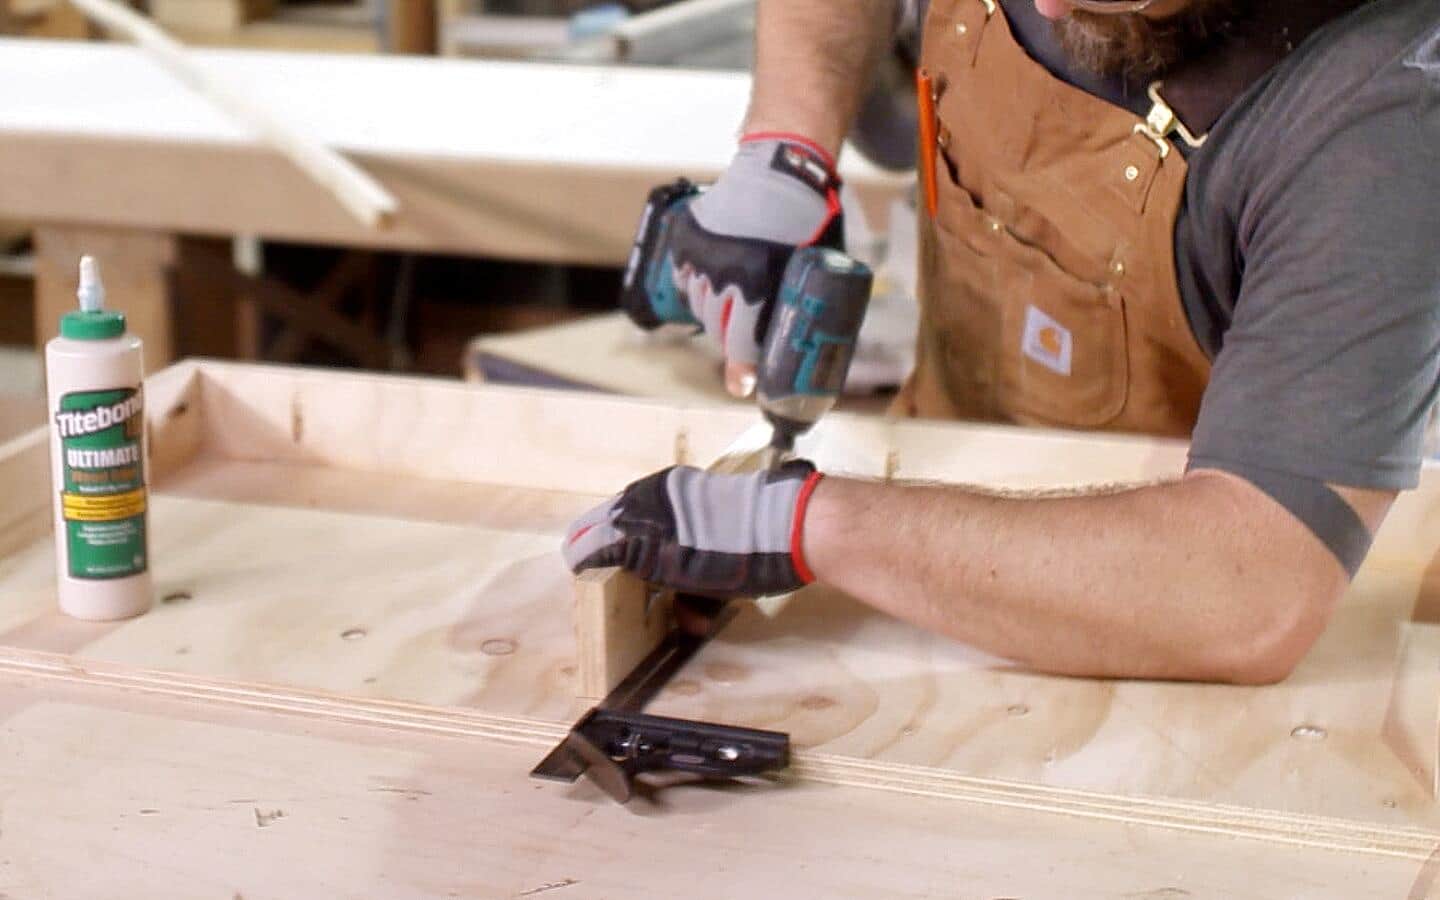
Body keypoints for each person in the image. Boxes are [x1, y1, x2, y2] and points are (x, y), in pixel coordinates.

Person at [564, 0, 1440, 684]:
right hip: (920, 490)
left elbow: (1249, 593)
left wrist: (808, 524)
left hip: (1149, 629)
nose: (1046, 11)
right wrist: (784, 154)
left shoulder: (1383, 121)